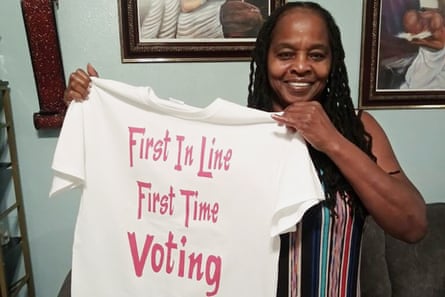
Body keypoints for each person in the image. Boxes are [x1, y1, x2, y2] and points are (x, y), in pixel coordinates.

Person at [63, 2, 427, 296]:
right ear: (265, 60)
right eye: (285, 54)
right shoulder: (238, 137)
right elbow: (157, 192)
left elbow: (412, 225)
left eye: (316, 55)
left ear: (332, 64)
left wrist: (331, 140)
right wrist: (97, 110)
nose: (301, 67)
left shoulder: (358, 129)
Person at [399, 8, 445, 89]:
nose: (412, 33)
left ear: (421, 22)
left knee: (418, 83)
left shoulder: (435, 21)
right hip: (426, 50)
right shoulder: (419, 21)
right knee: (411, 76)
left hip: (439, 54)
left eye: (414, 30)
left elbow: (441, 45)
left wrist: (423, 43)